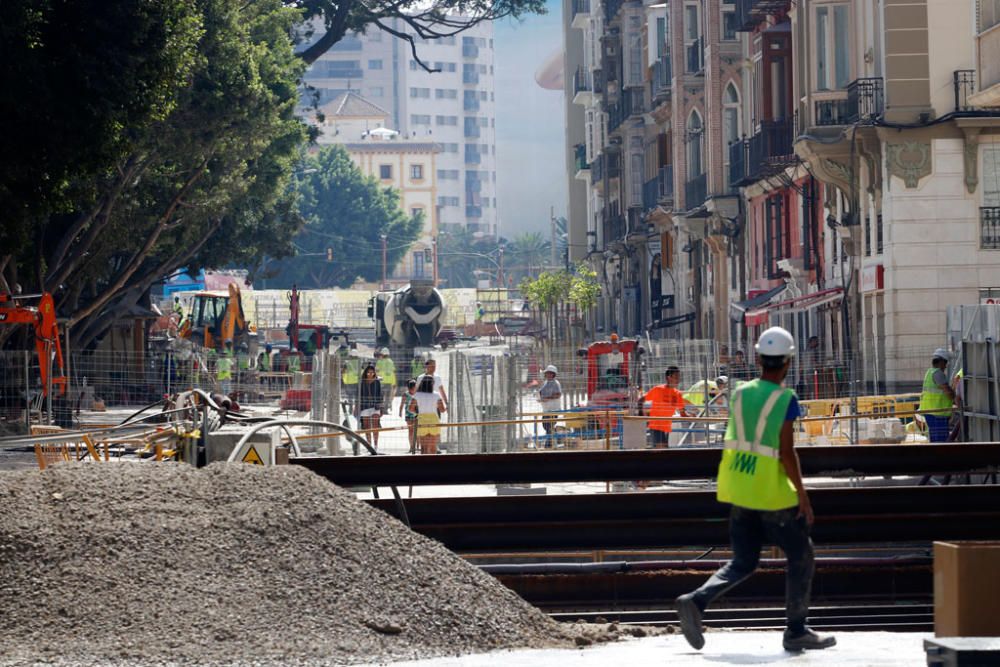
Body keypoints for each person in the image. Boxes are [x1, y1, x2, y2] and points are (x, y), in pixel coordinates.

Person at [675, 326, 836, 653]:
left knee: (744, 561)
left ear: (759, 358)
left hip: (738, 486)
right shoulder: (786, 399)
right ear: (788, 362)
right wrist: (803, 496)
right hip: (769, 493)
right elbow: (786, 451)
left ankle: (696, 600)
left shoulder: (739, 393)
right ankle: (796, 630)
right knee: (801, 553)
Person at [643, 366, 693, 448]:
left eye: (679, 377)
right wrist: (643, 414)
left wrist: (691, 416)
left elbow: (683, 413)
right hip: (656, 426)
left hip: (666, 427)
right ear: (669, 378)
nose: (678, 380)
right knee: (661, 449)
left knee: (664, 450)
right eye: (676, 377)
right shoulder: (658, 389)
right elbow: (642, 400)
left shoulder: (677, 394)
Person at [918, 348, 956, 443]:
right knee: (941, 442)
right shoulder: (938, 374)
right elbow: (949, 394)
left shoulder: (929, 372)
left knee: (935, 441)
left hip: (931, 412)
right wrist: (954, 392)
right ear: (941, 362)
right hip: (938, 413)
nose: (946, 366)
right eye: (945, 363)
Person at [410, 374, 444, 454]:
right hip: (433, 420)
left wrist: (418, 412)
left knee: (424, 447)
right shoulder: (436, 395)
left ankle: (423, 464)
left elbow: (410, 408)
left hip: (422, 420)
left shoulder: (417, 395)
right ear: (432, 384)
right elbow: (442, 410)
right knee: (433, 446)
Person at [357, 364, 383, 449]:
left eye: (372, 372)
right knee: (367, 427)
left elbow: (380, 395)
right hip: (364, 406)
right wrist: (356, 406)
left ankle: (376, 445)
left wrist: (381, 407)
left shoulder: (377, 382)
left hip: (375, 406)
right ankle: (369, 445)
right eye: (368, 372)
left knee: (375, 425)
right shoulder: (362, 382)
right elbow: (358, 395)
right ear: (366, 373)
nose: (370, 374)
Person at [538, 365, 563, 442]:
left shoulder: (556, 383)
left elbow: (558, 394)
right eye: (547, 373)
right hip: (546, 409)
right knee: (545, 425)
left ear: (553, 374)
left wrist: (548, 398)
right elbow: (541, 392)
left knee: (549, 426)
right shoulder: (546, 383)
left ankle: (549, 443)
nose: (548, 375)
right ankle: (554, 439)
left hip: (553, 409)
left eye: (550, 373)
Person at [399, 378, 419, 453]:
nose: (412, 391)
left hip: (417, 414)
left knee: (416, 431)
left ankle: (417, 446)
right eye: (411, 389)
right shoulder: (405, 395)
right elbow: (402, 404)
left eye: (414, 389)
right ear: (409, 388)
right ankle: (411, 446)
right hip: (408, 414)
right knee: (411, 430)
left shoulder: (418, 394)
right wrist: (400, 412)